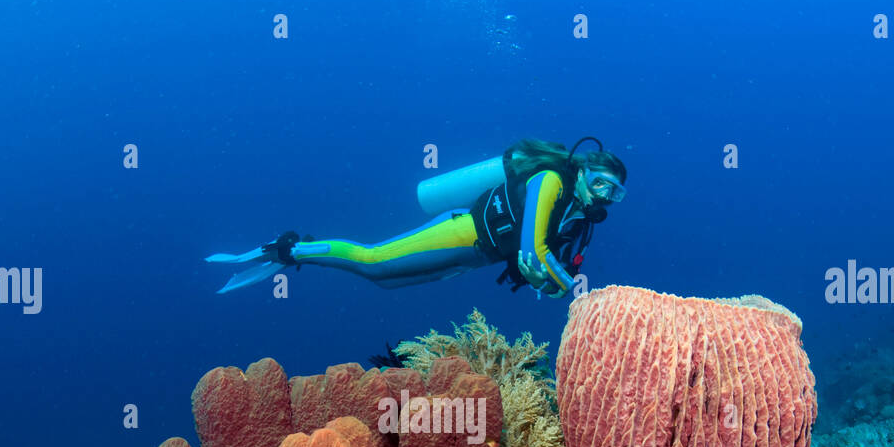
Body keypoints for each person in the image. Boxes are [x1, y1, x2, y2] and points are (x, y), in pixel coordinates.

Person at [207, 137, 626, 297]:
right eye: (602, 183)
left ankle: (293, 253)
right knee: (373, 260)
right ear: (584, 172)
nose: (605, 196)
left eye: (615, 192)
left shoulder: (579, 222)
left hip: (474, 257)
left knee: (384, 281)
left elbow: (546, 275)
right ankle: (288, 249)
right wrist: (576, 292)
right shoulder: (551, 181)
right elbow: (534, 248)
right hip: (462, 232)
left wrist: (550, 285)